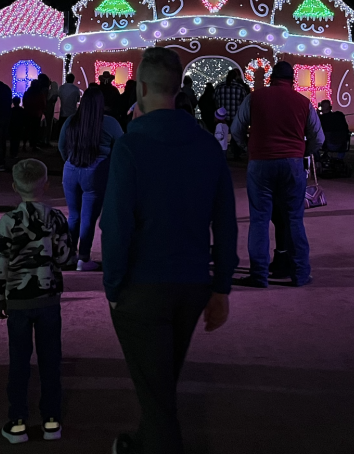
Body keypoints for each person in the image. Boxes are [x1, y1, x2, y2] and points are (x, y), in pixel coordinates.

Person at [102, 47, 236, 454]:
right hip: (192, 282)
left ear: (141, 87)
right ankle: (143, 440)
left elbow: (117, 224)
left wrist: (112, 285)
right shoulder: (207, 146)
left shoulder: (131, 146)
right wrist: (222, 287)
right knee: (161, 382)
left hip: (143, 285)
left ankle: (154, 442)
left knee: (157, 392)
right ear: (178, 89)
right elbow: (226, 223)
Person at [0, 158, 74, 444]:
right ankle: (51, 421)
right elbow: (67, 258)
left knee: (19, 361)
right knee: (51, 360)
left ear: (15, 187)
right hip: (48, 298)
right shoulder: (57, 218)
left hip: (17, 300)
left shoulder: (8, 220)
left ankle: (17, 422)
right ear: (46, 184)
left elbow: (1, 261)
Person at [231, 60, 322, 287]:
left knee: (260, 219)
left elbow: (236, 129)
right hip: (292, 163)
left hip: (260, 162)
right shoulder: (303, 102)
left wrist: (247, 147)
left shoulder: (255, 98)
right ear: (292, 80)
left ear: (271, 78)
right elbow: (318, 138)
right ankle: (300, 273)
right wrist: (301, 151)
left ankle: (259, 275)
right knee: (294, 219)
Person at [58, 85, 123, 272]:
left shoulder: (71, 121)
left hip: (71, 168)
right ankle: (83, 258)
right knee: (88, 218)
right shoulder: (110, 123)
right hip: (96, 172)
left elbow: (62, 147)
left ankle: (68, 255)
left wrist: (70, 161)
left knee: (74, 215)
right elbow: (121, 148)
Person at [215, 69, 249, 161]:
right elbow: (244, 101)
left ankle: (222, 155)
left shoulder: (219, 86)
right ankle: (236, 155)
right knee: (235, 136)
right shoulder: (240, 87)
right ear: (236, 77)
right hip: (235, 116)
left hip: (222, 117)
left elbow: (215, 99)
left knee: (222, 137)